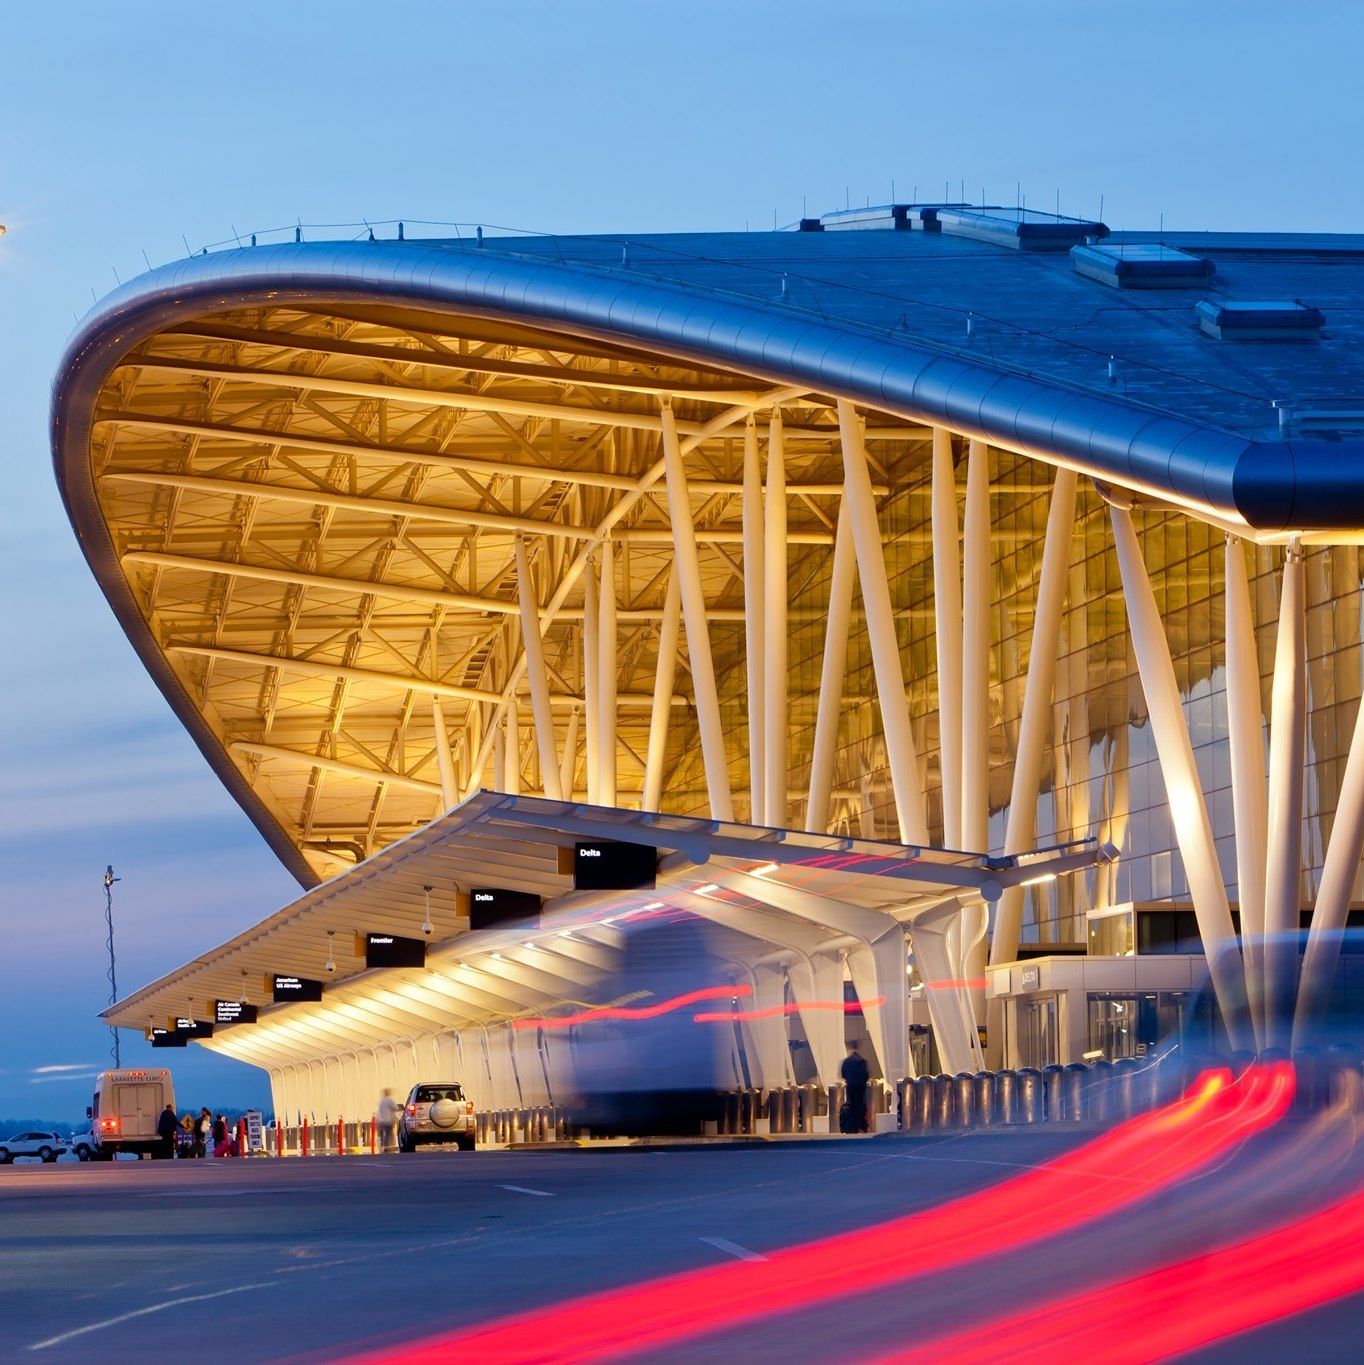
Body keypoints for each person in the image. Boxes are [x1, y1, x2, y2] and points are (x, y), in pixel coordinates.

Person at [840, 1040, 870, 1134]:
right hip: (860, 1088)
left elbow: (843, 1074)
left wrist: (849, 1080)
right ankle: (859, 1126)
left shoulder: (847, 1061)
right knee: (859, 1106)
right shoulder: (862, 1060)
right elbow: (866, 1075)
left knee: (851, 1106)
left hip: (850, 1087)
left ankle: (851, 1127)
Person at [376, 1088, 398, 1154]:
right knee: (388, 1134)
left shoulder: (381, 1101)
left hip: (380, 1121)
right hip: (388, 1121)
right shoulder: (389, 1100)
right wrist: (398, 1107)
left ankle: (382, 1147)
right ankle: (386, 1147)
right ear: (388, 1093)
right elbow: (395, 1108)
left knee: (382, 1134)